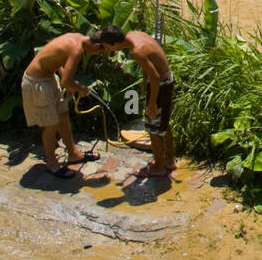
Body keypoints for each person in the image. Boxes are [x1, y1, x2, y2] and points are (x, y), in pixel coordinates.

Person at [21, 30, 112, 177]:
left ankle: (73, 154)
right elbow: (65, 82)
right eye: (100, 52)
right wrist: (79, 88)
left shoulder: (77, 38)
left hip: (49, 78)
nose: (97, 55)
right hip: (36, 82)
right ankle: (52, 163)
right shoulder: (76, 50)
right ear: (96, 46)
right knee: (50, 125)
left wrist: (68, 83)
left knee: (63, 115)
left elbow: (56, 59)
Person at [120, 29, 175, 178]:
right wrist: (145, 80)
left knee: (153, 128)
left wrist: (151, 103)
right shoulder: (136, 35)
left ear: (114, 44)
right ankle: (169, 160)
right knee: (163, 123)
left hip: (160, 84)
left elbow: (155, 78)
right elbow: (149, 63)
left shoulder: (136, 52)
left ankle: (159, 167)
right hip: (167, 80)